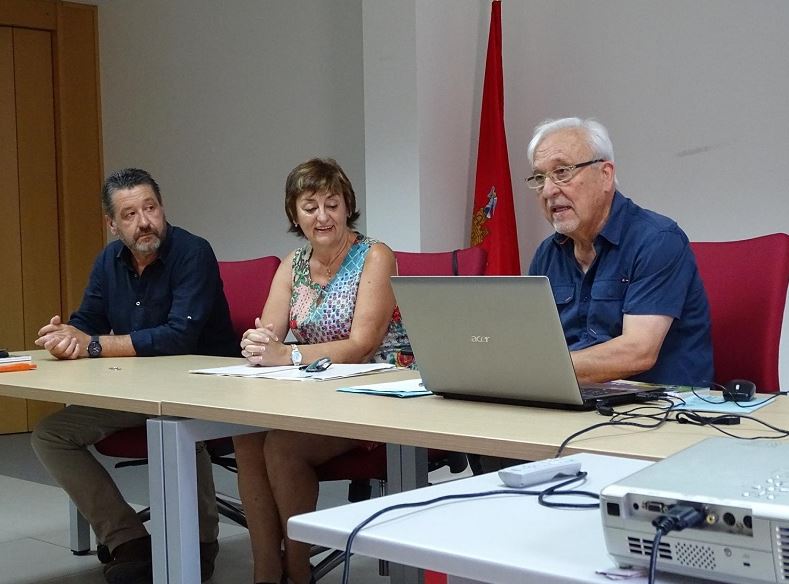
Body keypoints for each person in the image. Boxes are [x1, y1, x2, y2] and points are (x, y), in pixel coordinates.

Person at [31, 168, 238, 584]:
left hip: (203, 389)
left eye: (151, 208)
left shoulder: (193, 252)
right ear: (112, 224)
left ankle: (199, 543)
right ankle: (126, 538)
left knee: (174, 422)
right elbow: (86, 323)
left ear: (163, 208)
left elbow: (181, 336)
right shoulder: (108, 261)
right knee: (49, 435)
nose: (144, 221)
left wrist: (94, 344)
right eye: (130, 214)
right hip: (134, 393)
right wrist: (64, 338)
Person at [232, 158, 411, 584]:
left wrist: (287, 356)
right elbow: (269, 331)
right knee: (245, 433)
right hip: (315, 392)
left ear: (348, 207)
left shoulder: (375, 256)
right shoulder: (293, 264)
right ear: (295, 214)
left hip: (377, 392)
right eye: (309, 206)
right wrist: (257, 344)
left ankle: (297, 571)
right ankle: (265, 571)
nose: (322, 216)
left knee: (282, 447)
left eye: (332, 204)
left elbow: (361, 345)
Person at [526, 117, 713, 386]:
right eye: (539, 178)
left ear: (605, 175)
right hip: (576, 399)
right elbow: (534, 345)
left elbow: (638, 353)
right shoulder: (548, 254)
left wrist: (535, 370)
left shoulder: (657, 241)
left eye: (562, 172)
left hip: (655, 408)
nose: (548, 190)